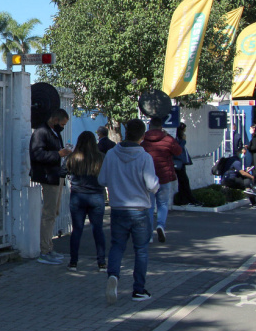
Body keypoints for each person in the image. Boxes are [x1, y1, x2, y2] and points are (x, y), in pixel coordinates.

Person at [99, 119, 158, 304]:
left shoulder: (111, 154)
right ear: (142, 136)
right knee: (141, 250)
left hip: (118, 208)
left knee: (117, 246)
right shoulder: (144, 157)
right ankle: (138, 290)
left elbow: (102, 180)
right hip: (139, 209)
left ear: (125, 132)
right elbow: (151, 185)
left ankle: (113, 275)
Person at [29, 109, 73, 264]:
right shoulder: (41, 132)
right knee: (48, 214)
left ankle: (49, 247)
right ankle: (45, 250)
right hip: (48, 176)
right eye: (61, 124)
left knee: (53, 213)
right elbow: (36, 154)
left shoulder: (54, 132)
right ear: (54, 119)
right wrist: (58, 154)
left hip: (56, 175)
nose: (62, 127)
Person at [65, 131, 106, 273]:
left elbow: (64, 170)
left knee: (77, 230)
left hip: (78, 196)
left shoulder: (73, 158)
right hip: (96, 195)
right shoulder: (100, 158)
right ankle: (101, 262)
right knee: (98, 230)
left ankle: (73, 262)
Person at [140, 117, 182, 243]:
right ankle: (160, 225)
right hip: (164, 176)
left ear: (149, 126)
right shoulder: (167, 139)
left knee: (149, 206)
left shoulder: (143, 140)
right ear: (160, 126)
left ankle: (149, 235)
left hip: (148, 177)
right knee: (163, 204)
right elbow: (178, 151)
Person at [173, 123, 200, 206]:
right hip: (178, 162)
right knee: (184, 181)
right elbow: (178, 150)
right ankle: (188, 199)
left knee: (183, 181)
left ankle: (184, 199)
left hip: (181, 162)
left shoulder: (179, 139)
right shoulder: (177, 139)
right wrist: (183, 141)